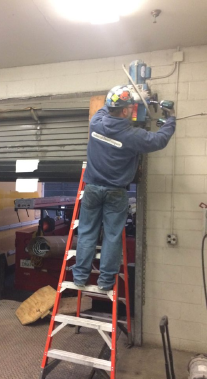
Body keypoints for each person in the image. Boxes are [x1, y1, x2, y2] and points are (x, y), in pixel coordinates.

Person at [71, 85, 176, 291]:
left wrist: (129, 97)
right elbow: (160, 140)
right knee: (111, 236)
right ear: (127, 111)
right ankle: (106, 282)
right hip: (115, 192)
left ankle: (80, 277)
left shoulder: (96, 123)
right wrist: (171, 119)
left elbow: (103, 108)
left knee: (86, 233)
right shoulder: (133, 136)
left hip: (92, 189)